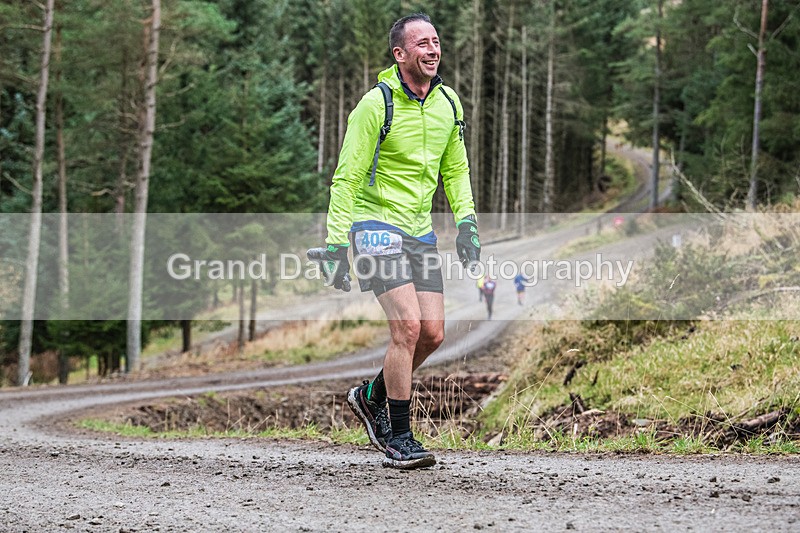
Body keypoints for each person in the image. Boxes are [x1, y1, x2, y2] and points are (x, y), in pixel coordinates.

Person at [308, 13, 479, 470]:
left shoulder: (448, 104)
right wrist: (334, 245)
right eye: (421, 43)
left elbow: (456, 170)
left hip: (419, 231)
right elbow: (345, 178)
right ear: (400, 54)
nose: (433, 49)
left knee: (433, 333)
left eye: (436, 41)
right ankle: (399, 437)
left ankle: (370, 396)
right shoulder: (374, 105)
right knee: (405, 328)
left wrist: (467, 223)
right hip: (374, 226)